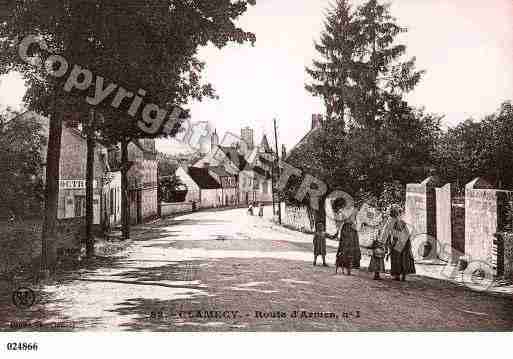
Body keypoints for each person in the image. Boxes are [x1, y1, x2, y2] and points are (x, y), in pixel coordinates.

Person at [384, 206, 416, 281]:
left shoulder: (391, 221)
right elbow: (407, 233)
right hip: (404, 241)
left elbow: (388, 232)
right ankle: (403, 275)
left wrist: (388, 243)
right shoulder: (402, 221)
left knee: (396, 257)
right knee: (404, 258)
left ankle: (397, 275)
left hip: (397, 241)